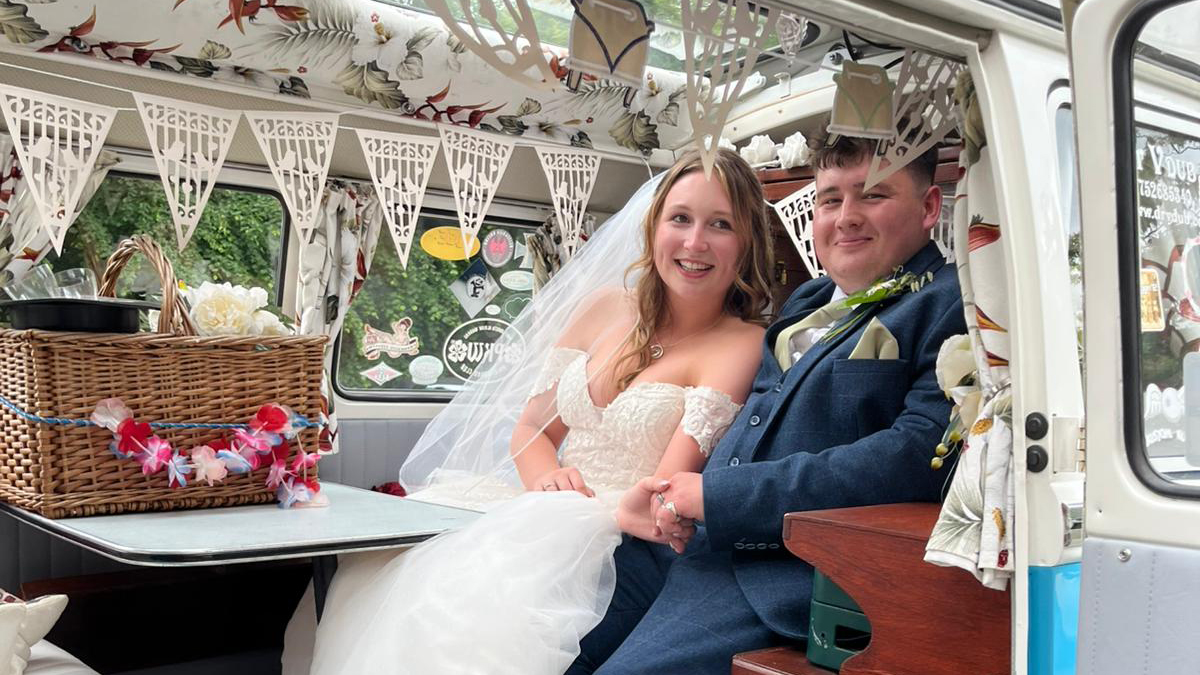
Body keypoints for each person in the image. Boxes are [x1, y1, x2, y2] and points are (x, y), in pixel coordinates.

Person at [281, 148, 776, 674]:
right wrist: (547, 481)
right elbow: (530, 428)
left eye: (720, 225)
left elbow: (663, 489)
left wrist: (593, 510)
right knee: (386, 571)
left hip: (623, 527)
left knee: (482, 619)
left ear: (745, 245)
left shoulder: (742, 345)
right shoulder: (604, 307)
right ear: (655, 227)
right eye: (681, 218)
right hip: (539, 504)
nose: (695, 242)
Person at [567, 131, 968, 674]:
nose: (846, 216)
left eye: (872, 194)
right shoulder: (805, 300)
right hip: (686, 546)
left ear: (928, 207)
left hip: (775, 572)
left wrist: (720, 496)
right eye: (830, 199)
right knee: (533, 644)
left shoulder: (950, 303)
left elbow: (915, 455)